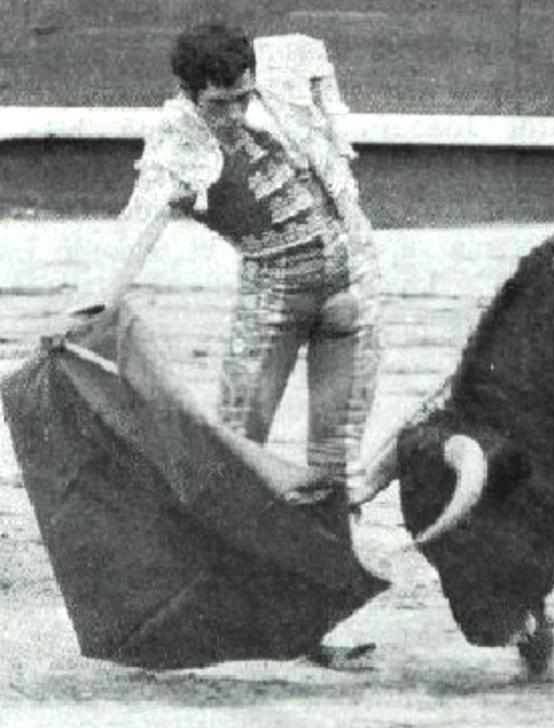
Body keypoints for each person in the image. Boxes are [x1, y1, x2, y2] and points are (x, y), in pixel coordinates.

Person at [72, 23, 381, 667]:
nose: (236, 113)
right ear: (187, 95)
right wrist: (88, 310)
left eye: (243, 96)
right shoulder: (177, 148)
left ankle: (313, 625)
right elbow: (136, 231)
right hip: (270, 305)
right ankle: (178, 619)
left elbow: (313, 56)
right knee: (235, 466)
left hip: (349, 297)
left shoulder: (281, 74)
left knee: (332, 467)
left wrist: (331, 122)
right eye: (219, 104)